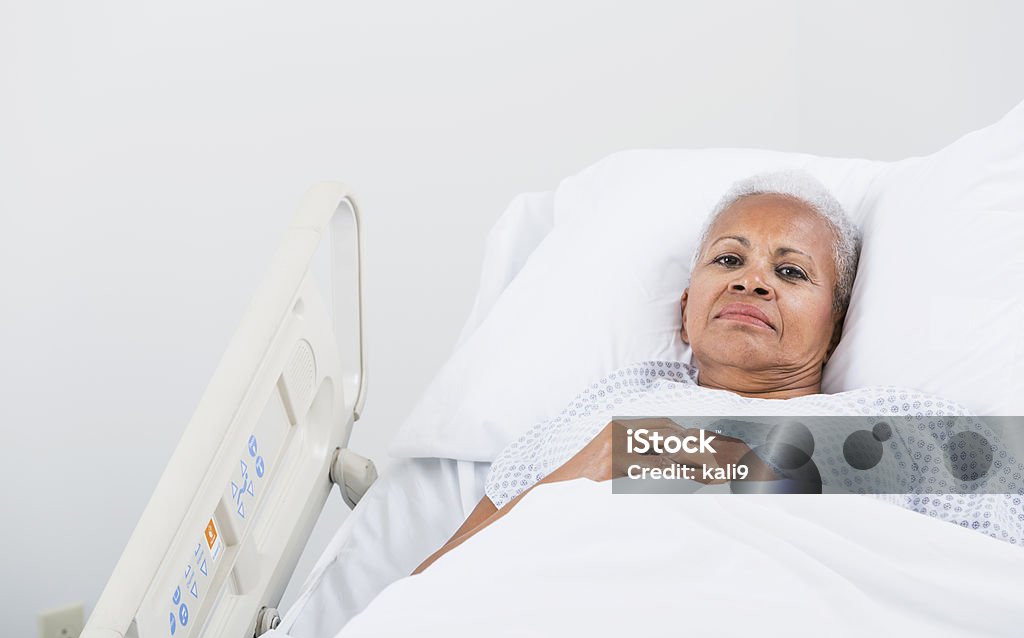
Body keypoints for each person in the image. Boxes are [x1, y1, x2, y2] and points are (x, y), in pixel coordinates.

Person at [413, 170, 1017, 574]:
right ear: (685, 313)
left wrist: (648, 455)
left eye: (791, 272)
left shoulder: (898, 426)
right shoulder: (603, 410)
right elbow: (438, 576)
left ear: (835, 327)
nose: (751, 280)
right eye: (729, 259)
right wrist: (597, 462)